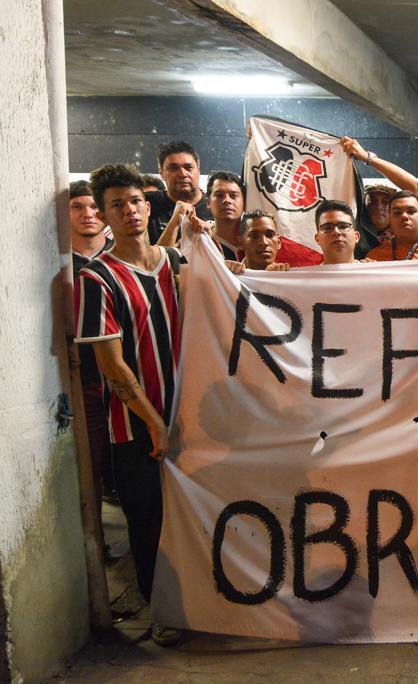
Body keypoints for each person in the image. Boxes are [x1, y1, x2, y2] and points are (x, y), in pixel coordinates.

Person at [74, 163, 182, 647]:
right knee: (149, 522)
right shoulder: (97, 279)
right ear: (104, 213)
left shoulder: (176, 261)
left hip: (191, 415)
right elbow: (114, 369)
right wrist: (156, 424)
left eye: (135, 201)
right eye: (116, 204)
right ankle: (160, 610)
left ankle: (200, 602)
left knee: (194, 517)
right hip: (136, 427)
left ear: (147, 204)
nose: (129, 211)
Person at [70, 180, 114, 506]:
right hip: (85, 381)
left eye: (93, 206)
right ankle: (96, 544)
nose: (87, 214)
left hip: (130, 382)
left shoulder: (121, 259)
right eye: (76, 207)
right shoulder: (55, 266)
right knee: (90, 465)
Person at [160, 171, 245, 259]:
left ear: (245, 202)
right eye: (219, 195)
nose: (227, 200)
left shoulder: (255, 237)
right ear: (208, 202)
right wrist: (174, 223)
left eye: (233, 196)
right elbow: (161, 264)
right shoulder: (196, 236)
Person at [146, 140, 212, 243]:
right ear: (161, 173)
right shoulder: (147, 203)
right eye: (173, 168)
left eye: (188, 168)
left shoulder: (216, 205)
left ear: (198, 171)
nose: (182, 174)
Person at [224, 210, 291, 272]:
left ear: (278, 242)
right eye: (254, 236)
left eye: (270, 235)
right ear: (241, 243)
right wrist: (225, 275)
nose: (264, 242)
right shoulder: (227, 274)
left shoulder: (290, 279)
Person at [314, 200, 360, 265]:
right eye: (328, 228)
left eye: (343, 226)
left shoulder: (374, 273)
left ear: (356, 237)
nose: (336, 232)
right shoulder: (307, 275)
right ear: (317, 239)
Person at [356, 183, 395, 258]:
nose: (378, 206)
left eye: (385, 202)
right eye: (373, 201)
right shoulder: (355, 236)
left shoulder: (402, 237)